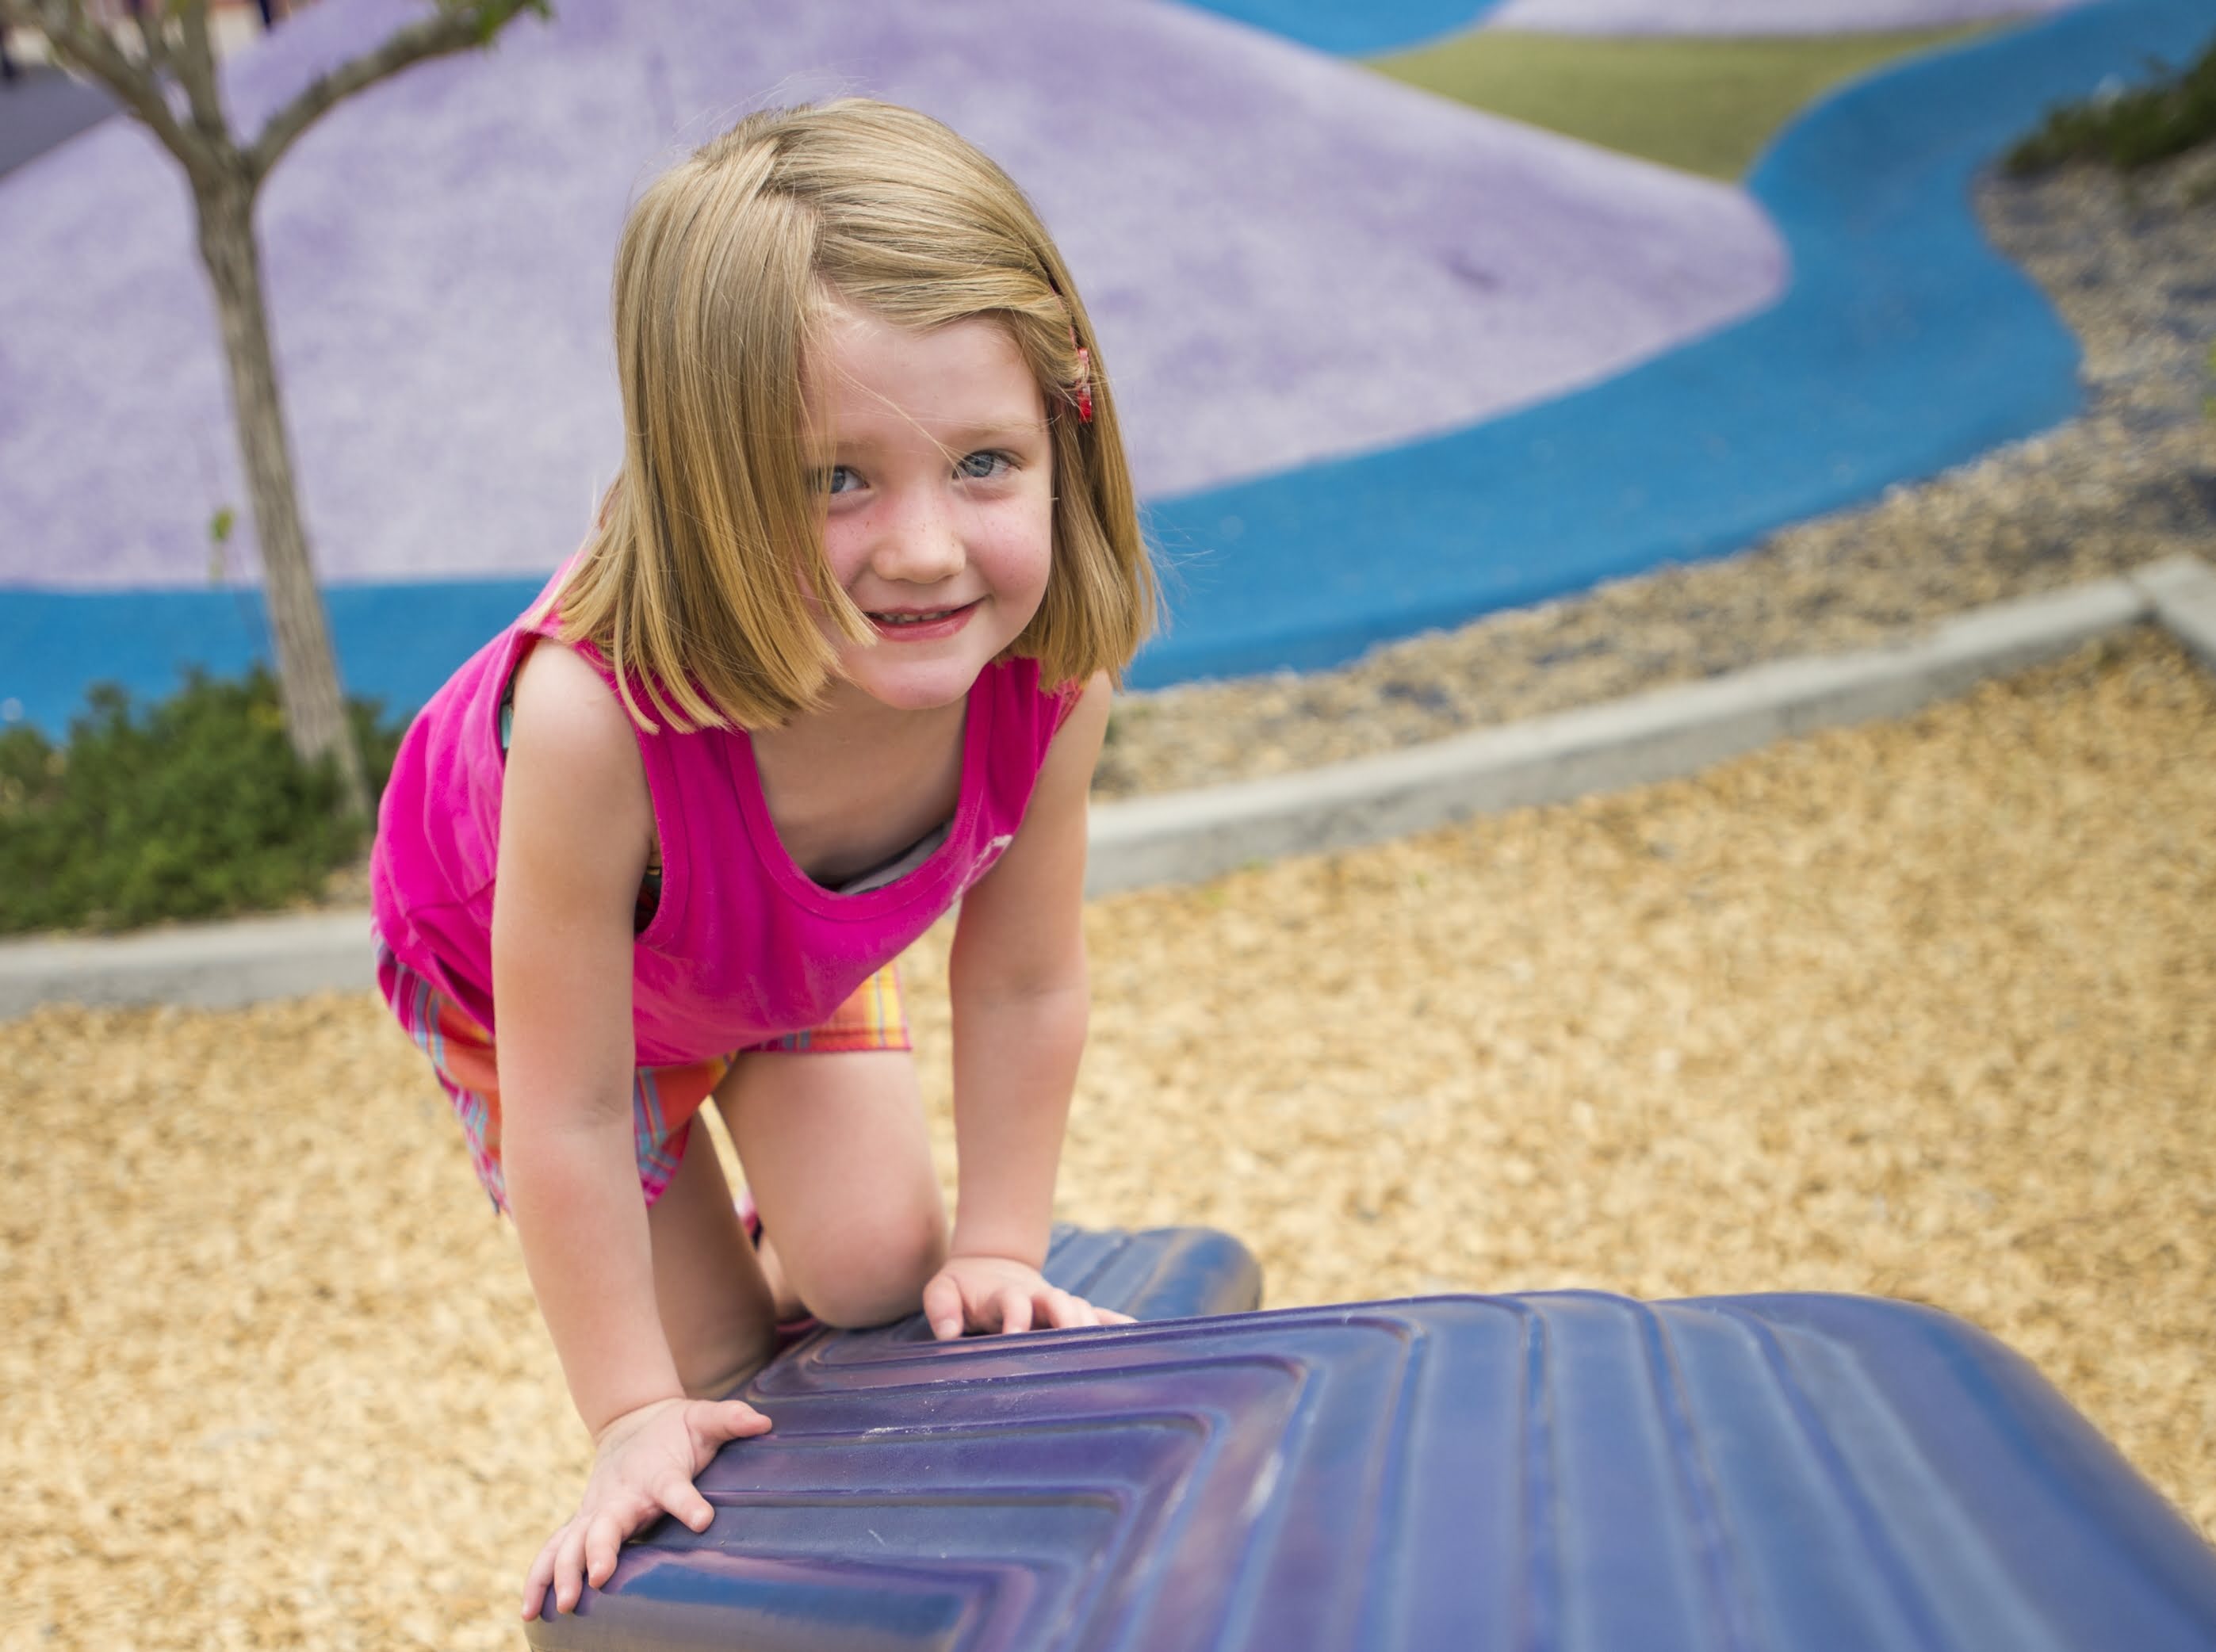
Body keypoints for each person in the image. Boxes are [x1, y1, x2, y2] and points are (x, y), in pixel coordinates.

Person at [367, 99, 1157, 1622]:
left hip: (774, 959)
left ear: (1068, 431)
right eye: (832, 481)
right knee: (717, 1376)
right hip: (543, 993)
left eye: (983, 462)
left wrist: (999, 1246)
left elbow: (1023, 978)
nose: (925, 550)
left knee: (876, 1274)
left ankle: (797, 1223)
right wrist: (626, 1415)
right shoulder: (594, 722)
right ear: (705, 480)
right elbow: (576, 1106)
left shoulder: (1048, 679)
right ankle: (710, 1295)